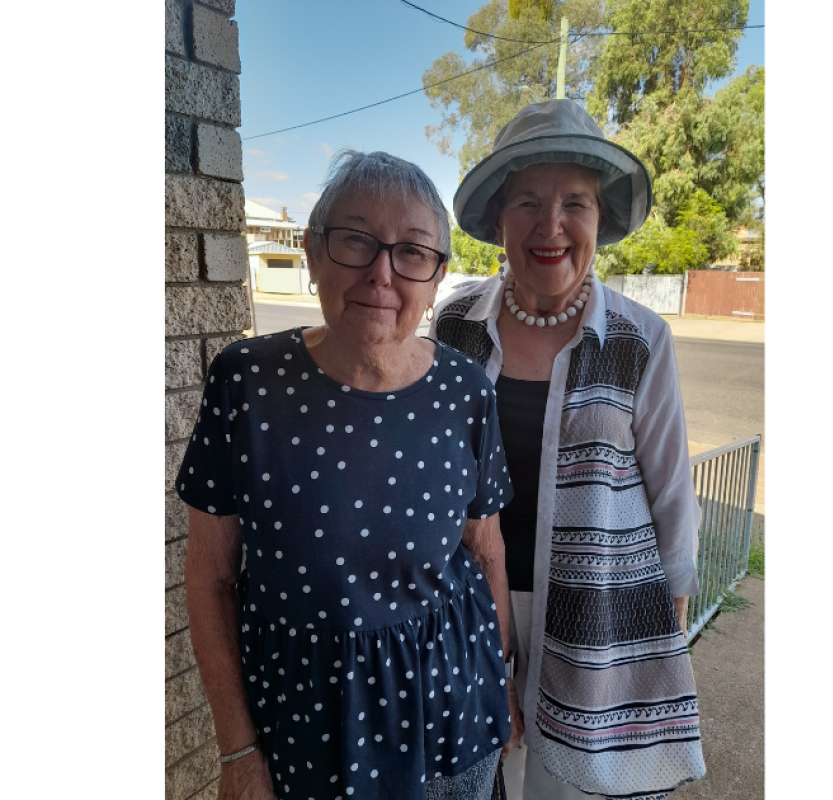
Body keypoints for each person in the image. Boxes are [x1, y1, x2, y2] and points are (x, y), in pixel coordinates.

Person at [177, 150, 522, 800]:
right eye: (355, 240)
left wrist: (499, 683)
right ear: (311, 252)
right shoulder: (246, 383)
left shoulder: (466, 391)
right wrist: (238, 749)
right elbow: (210, 575)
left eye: (412, 252)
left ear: (436, 275)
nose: (381, 274)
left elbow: (486, 549)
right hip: (304, 733)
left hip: (455, 714)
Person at [430, 100, 706, 799]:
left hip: (599, 608)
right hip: (475, 598)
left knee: (573, 783)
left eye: (574, 204)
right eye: (528, 201)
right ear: (498, 218)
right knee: (487, 769)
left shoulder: (639, 339)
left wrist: (670, 608)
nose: (551, 226)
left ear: (599, 222)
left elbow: (672, 490)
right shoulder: (456, 322)